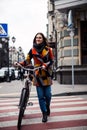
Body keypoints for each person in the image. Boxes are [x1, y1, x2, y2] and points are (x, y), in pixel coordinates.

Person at [15, 32, 54, 123]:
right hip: (37, 75)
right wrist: (19, 64)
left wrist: (46, 65)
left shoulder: (48, 49)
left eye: (40, 38)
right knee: (40, 96)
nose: (38, 39)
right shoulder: (32, 50)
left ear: (43, 39)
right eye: (37, 38)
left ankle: (47, 106)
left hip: (46, 75)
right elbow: (27, 60)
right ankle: (44, 113)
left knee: (48, 96)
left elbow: (52, 61)